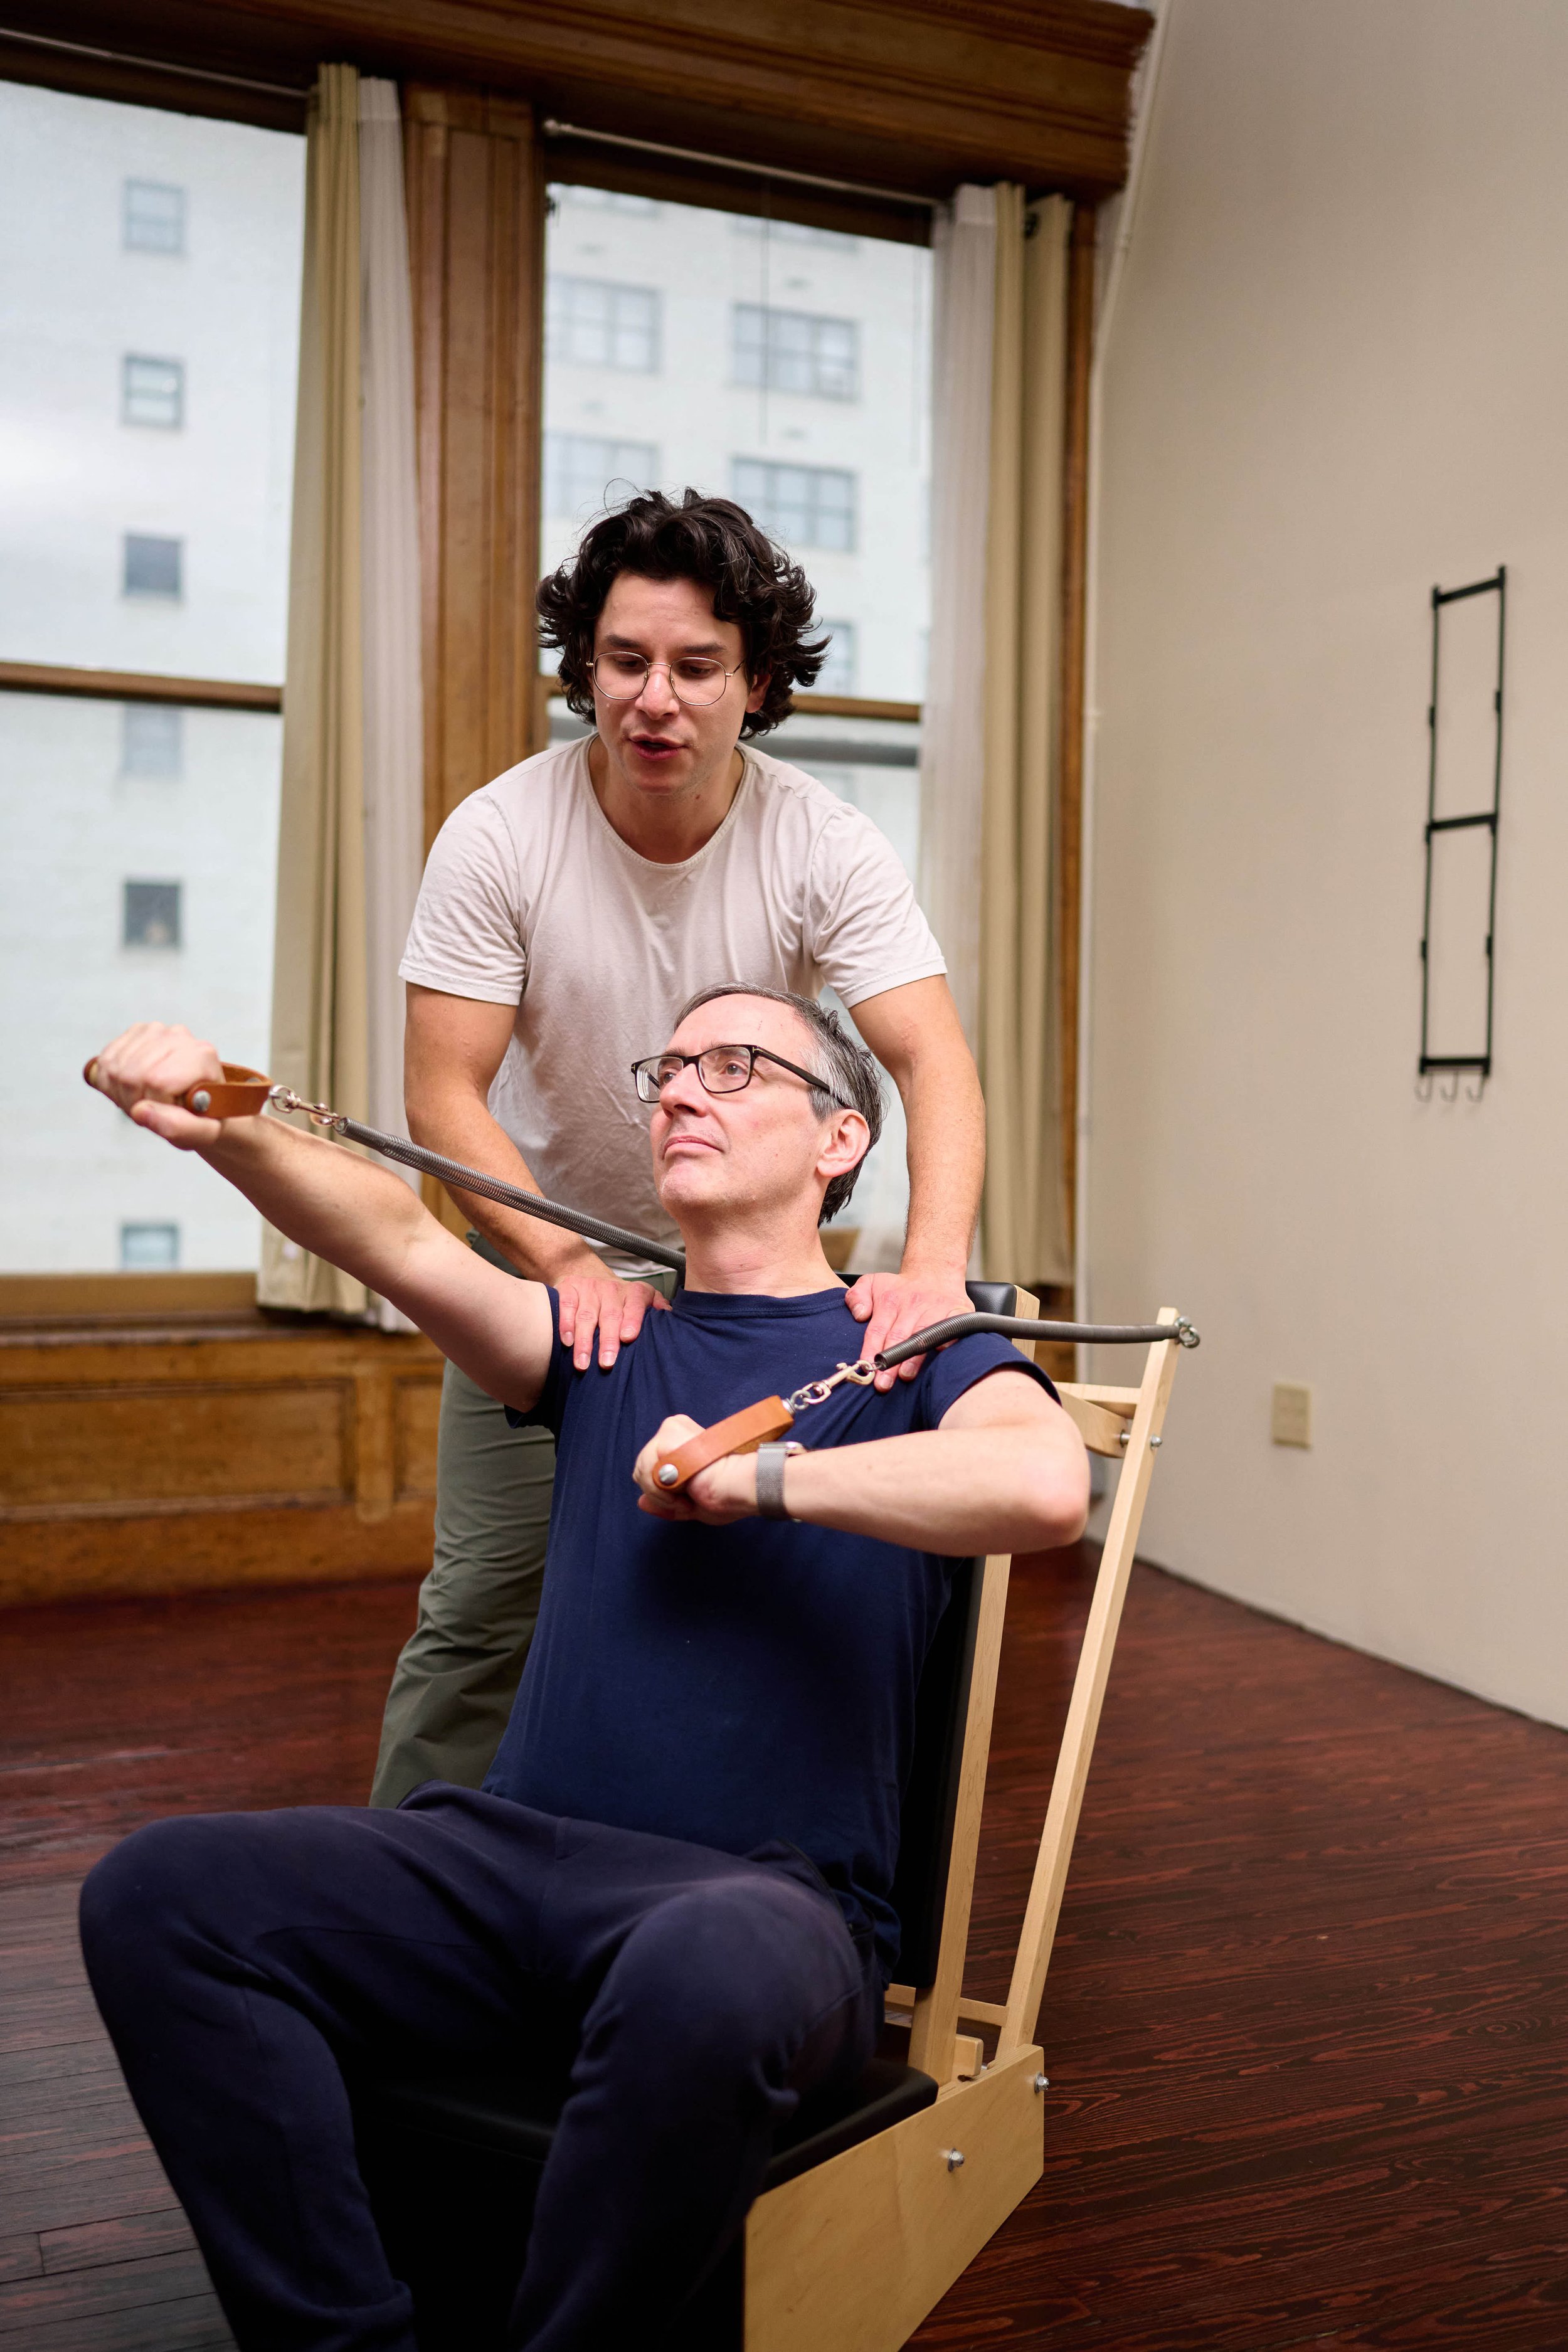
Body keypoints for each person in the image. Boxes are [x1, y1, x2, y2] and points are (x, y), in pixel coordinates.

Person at [79, 988, 1087, 2352]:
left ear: (839, 1137)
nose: (679, 1091)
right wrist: (225, 1125)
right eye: (667, 1069)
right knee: (162, 1897)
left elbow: (1041, 1484)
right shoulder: (605, 1336)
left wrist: (766, 1476)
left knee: (702, 1964)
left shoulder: (912, 1350)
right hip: (502, 1863)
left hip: (763, 1906)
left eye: (732, 1067)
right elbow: (386, 1232)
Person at [377, 488, 985, 1808]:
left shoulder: (820, 842)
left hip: (752, 1283)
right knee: (483, 1608)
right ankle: (418, 1903)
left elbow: (930, 1059)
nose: (656, 698)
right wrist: (560, 1266)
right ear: (583, 667)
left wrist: (930, 1271)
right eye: (624, 661)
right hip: (556, 1274)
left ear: (754, 681)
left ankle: (719, 1898)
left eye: (696, 667)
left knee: (777, 1592)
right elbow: (442, 1095)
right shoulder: (499, 836)